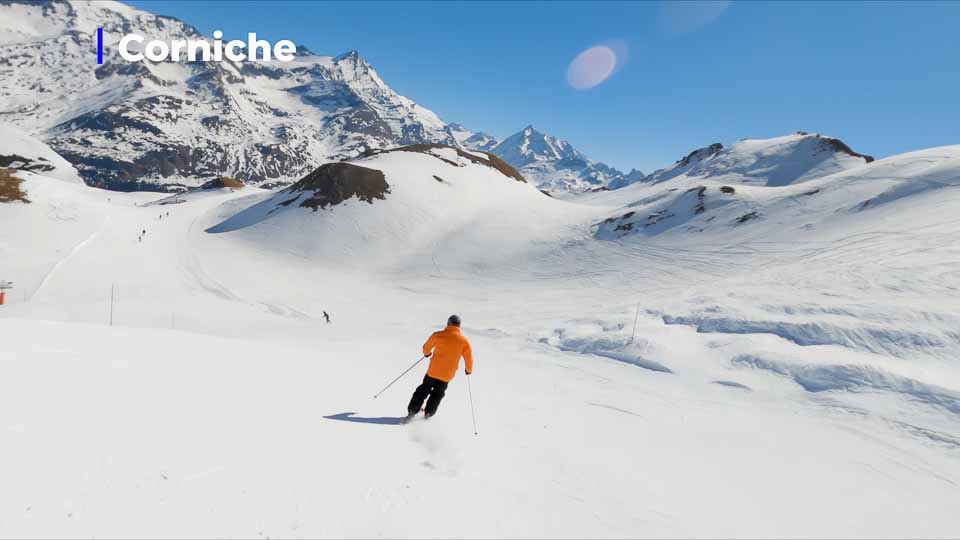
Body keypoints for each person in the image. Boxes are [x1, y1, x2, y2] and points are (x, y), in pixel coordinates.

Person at [405, 315, 473, 421]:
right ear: (459, 325)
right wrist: (468, 370)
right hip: (447, 374)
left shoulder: (438, 335)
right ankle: (429, 413)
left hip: (433, 371)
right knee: (438, 393)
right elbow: (468, 358)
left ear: (448, 323)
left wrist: (427, 354)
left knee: (423, 389)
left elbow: (426, 347)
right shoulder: (464, 341)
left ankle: (413, 411)